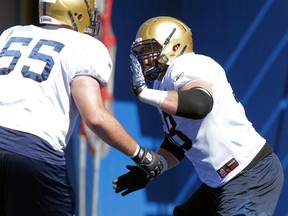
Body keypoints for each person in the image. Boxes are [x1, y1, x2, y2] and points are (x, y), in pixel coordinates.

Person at [0, 1, 166, 216]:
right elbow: (95, 116)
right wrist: (140, 154)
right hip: (35, 155)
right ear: (76, 11)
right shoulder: (84, 46)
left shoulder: (11, 34)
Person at [112, 16, 284, 215]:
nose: (145, 58)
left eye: (150, 49)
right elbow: (179, 140)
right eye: (142, 52)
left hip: (250, 174)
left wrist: (145, 93)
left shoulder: (187, 65)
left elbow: (201, 103)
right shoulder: (162, 84)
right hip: (219, 185)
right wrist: (156, 166)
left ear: (175, 48)